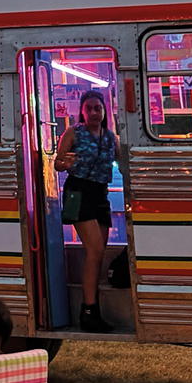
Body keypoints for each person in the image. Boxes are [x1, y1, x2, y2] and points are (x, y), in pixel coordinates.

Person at [55, 90, 121, 332]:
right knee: (94, 251)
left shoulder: (111, 137)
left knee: (99, 253)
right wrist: (66, 163)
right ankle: (88, 311)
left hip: (100, 194)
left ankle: (94, 310)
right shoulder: (73, 132)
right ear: (82, 111)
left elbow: (122, 162)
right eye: (89, 108)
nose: (94, 112)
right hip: (79, 193)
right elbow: (58, 163)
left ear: (104, 112)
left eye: (98, 108)